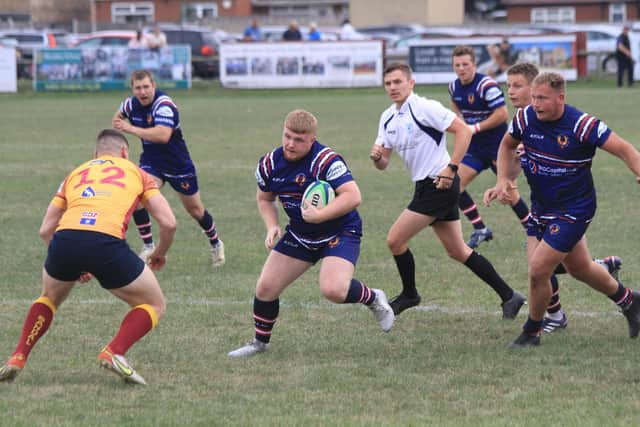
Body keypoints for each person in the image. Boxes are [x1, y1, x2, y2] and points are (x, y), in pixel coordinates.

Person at [0, 129, 176, 385]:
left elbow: (45, 229)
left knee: (49, 298)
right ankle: (114, 351)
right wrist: (159, 252)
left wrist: (70, 259)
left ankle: (17, 356)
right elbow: (169, 224)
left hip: (65, 239)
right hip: (105, 242)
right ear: (125, 153)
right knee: (154, 304)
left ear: (95, 154)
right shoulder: (139, 173)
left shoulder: (75, 173)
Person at [228, 109, 394, 357]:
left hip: (341, 230)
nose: (290, 144)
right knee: (265, 288)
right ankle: (259, 344)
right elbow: (264, 198)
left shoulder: (326, 160)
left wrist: (319, 215)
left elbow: (353, 195)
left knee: (334, 290)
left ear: (312, 140)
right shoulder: (269, 164)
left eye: (299, 139)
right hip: (300, 234)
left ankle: (373, 298)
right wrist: (272, 225)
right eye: (287, 136)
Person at [493, 71, 640, 347]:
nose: (535, 104)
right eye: (534, 97)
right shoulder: (525, 118)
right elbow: (506, 145)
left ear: (560, 98)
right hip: (542, 206)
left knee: (538, 271)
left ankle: (532, 331)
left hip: (574, 209)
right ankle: (630, 301)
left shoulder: (582, 125)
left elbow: (624, 149)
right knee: (580, 268)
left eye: (542, 99)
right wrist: (502, 179)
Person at [369, 62, 525, 319]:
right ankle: (509, 296)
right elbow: (383, 164)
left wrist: (452, 168)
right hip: (425, 185)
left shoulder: (424, 107)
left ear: (411, 83)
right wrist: (377, 158)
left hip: (439, 184)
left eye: (398, 82)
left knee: (395, 240)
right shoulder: (387, 117)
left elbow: (463, 131)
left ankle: (410, 294)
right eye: (388, 83)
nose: (393, 87)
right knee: (458, 251)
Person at [112, 70, 225, 267]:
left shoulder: (164, 106)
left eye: (146, 87)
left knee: (196, 210)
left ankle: (216, 243)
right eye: (138, 88)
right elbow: (118, 119)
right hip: (152, 163)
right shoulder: (130, 104)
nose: (143, 91)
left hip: (178, 164)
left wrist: (130, 128)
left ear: (153, 86)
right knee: (137, 196)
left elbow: (163, 136)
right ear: (132, 89)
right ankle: (148, 246)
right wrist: (120, 123)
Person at [448, 45, 527, 249]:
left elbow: (502, 114)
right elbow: (456, 110)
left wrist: (474, 127)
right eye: (457, 65)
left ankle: (533, 233)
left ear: (474, 65)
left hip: (498, 147)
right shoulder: (454, 87)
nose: (461, 68)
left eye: (465, 64)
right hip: (474, 148)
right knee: (454, 186)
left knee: (510, 194)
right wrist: (457, 123)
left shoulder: (487, 85)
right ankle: (481, 229)